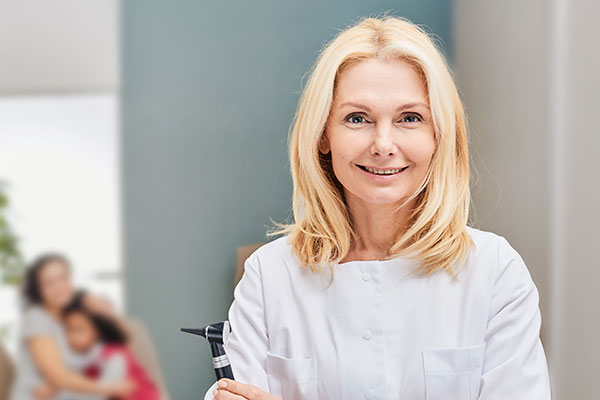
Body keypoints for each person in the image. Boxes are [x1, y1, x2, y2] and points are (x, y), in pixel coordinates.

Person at [207, 15, 551, 400]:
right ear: (323, 135)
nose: (383, 144)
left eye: (409, 118)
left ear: (439, 134)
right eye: (357, 118)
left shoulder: (494, 271)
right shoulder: (269, 276)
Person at [10, 253, 134, 400]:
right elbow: (58, 375)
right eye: (49, 283)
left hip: (65, 393)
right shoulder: (35, 317)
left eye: (63, 278)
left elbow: (117, 344)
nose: (59, 287)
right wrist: (108, 387)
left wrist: (104, 311)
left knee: (117, 360)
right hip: (38, 397)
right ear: (38, 290)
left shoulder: (70, 317)